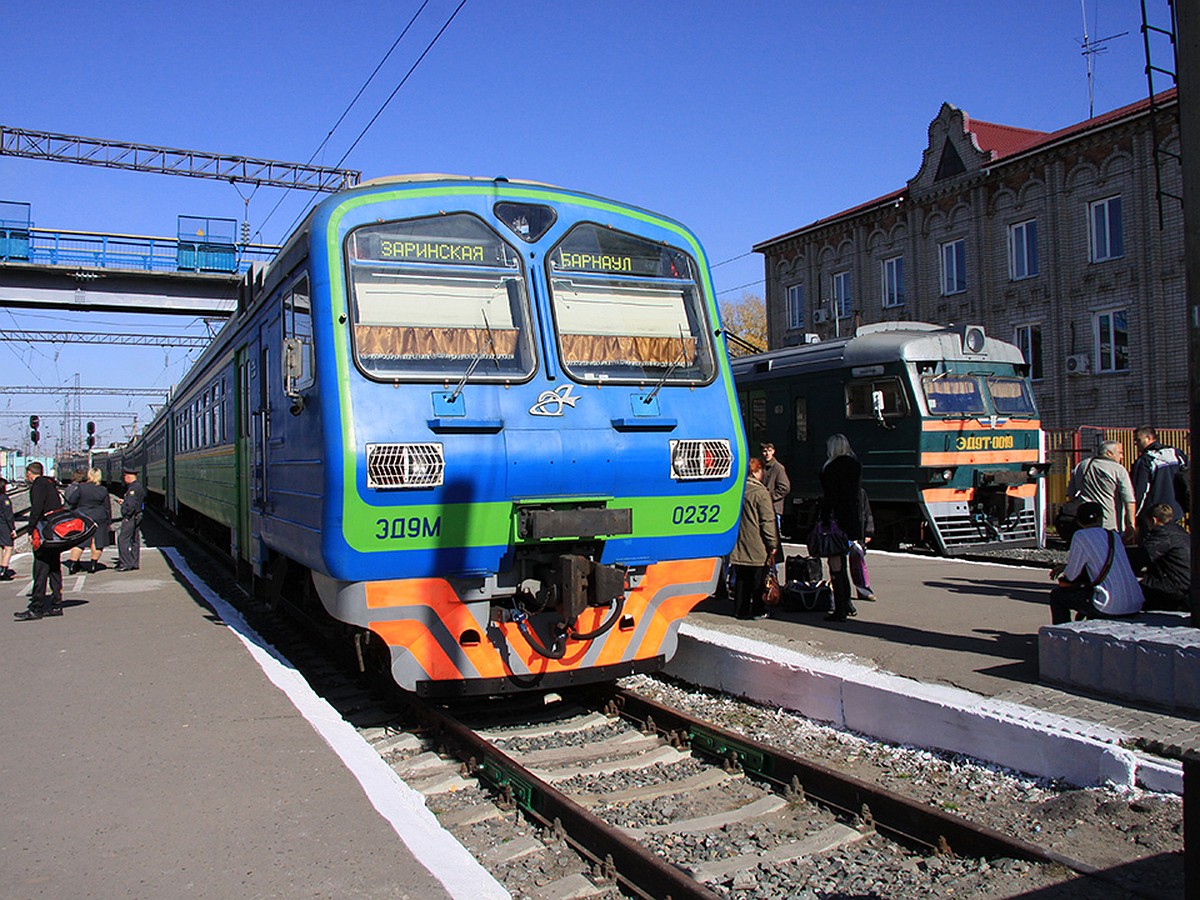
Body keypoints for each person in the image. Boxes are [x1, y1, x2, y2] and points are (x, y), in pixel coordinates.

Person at [1047, 501, 1142, 625]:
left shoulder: (1080, 536)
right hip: (1135, 602)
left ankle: (1062, 635)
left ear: (1079, 521)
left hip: (1110, 605)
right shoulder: (1114, 536)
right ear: (1101, 519)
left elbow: (1072, 576)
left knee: (1057, 596)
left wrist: (1067, 569)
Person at [819, 433, 868, 622]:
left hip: (835, 522)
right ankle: (847, 603)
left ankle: (840, 609)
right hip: (851, 521)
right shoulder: (855, 465)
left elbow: (830, 498)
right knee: (844, 564)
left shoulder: (830, 468)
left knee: (835, 565)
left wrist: (824, 521)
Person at [730, 457, 779, 620]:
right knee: (758, 579)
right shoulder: (761, 493)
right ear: (757, 472)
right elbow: (767, 520)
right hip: (757, 543)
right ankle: (758, 609)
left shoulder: (737, 490)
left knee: (742, 578)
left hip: (738, 542)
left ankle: (740, 609)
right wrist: (772, 542)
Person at [15, 461, 65, 620]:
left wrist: (30, 529)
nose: (26, 477)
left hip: (44, 532)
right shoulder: (50, 484)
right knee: (54, 567)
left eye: (26, 474)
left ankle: (36, 607)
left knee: (40, 568)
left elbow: (36, 509)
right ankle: (56, 604)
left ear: (30, 473)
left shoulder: (38, 485)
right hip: (54, 531)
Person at [1066, 441, 1136, 541]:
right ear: (1109, 453)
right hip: (1110, 523)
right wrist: (1131, 525)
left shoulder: (1082, 465)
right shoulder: (1118, 469)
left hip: (1085, 521)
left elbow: (1071, 493)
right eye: (1120, 453)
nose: (1122, 457)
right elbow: (1129, 500)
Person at [1129, 503, 1190, 611]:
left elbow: (1142, 557)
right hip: (1185, 584)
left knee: (1131, 592)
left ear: (1153, 520)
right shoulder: (1180, 531)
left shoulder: (1163, 535)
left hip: (1174, 588)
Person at [1130, 426, 1188, 530]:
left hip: (1153, 515)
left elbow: (1141, 491)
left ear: (1149, 438)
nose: (1136, 444)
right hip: (1176, 511)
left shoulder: (1146, 460)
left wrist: (1135, 516)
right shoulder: (1176, 454)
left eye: (1138, 440)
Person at [67, 468, 112, 574]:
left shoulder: (81, 488)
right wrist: (109, 521)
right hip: (99, 517)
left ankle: (73, 565)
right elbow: (107, 507)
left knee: (80, 541)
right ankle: (93, 564)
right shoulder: (103, 490)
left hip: (83, 517)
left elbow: (71, 501)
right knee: (97, 541)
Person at [848, 488, 876, 601]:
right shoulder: (836, 490)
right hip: (839, 531)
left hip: (856, 532)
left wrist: (868, 532)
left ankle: (863, 590)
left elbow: (867, 512)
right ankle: (839, 593)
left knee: (858, 561)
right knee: (837, 564)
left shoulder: (860, 492)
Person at [116, 466, 144, 572]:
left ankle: (125, 563)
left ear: (128, 476)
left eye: (125, 476)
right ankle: (134, 562)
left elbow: (131, 504)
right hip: (137, 515)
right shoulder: (138, 487)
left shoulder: (133, 489)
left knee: (123, 539)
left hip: (131, 517)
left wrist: (127, 515)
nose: (124, 478)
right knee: (135, 540)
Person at [760, 443, 791, 537]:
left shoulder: (778, 468)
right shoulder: (760, 466)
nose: (767, 454)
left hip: (773, 507)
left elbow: (784, 487)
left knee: (773, 535)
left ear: (773, 451)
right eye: (765, 451)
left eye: (769, 451)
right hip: (762, 506)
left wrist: (770, 497)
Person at [0, 477, 15, 581]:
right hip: (4, 525)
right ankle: (4, 570)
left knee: (0, 547)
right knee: (8, 547)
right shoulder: (4, 498)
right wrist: (12, 528)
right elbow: (8, 515)